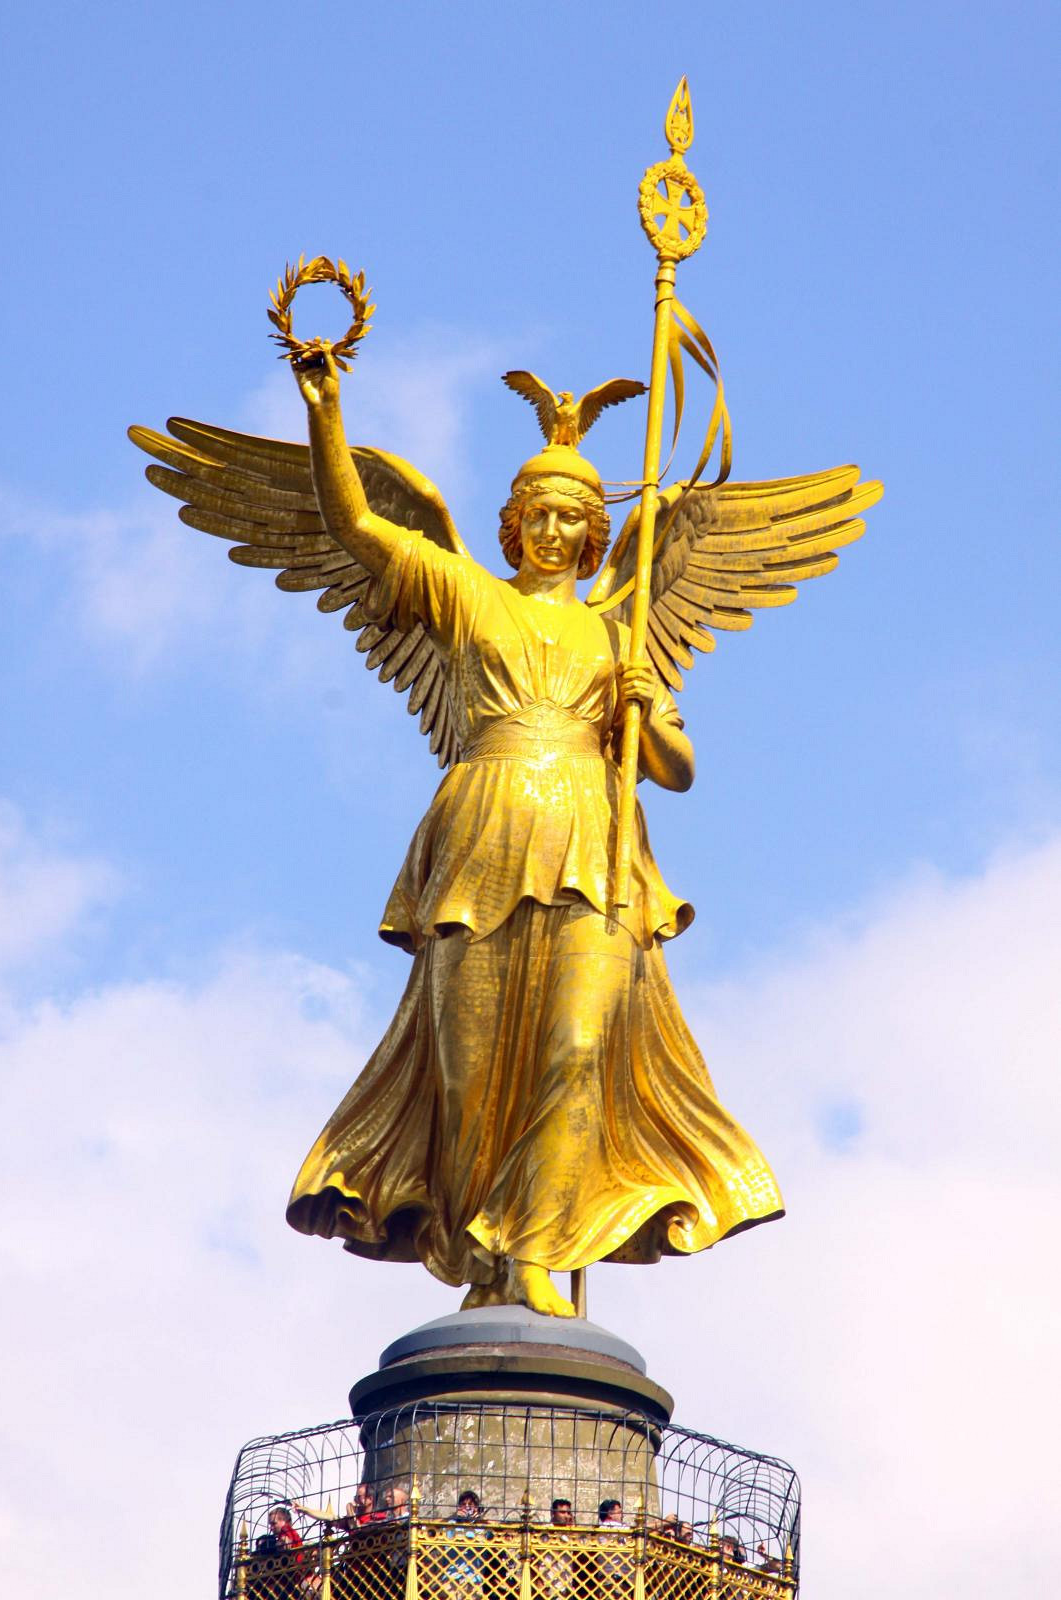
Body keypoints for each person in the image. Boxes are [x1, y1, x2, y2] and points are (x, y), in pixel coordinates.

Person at [284, 348, 784, 1317]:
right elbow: (353, 525)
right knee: (468, 1079)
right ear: (512, 524)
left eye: (571, 519)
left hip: (596, 843)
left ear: (595, 534)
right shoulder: (466, 594)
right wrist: (326, 412)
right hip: (484, 830)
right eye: (537, 516)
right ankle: (480, 1267)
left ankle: (532, 1253)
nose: (552, 532)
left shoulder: (618, 634)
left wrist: (642, 707)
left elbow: (676, 768)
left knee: (579, 1051)